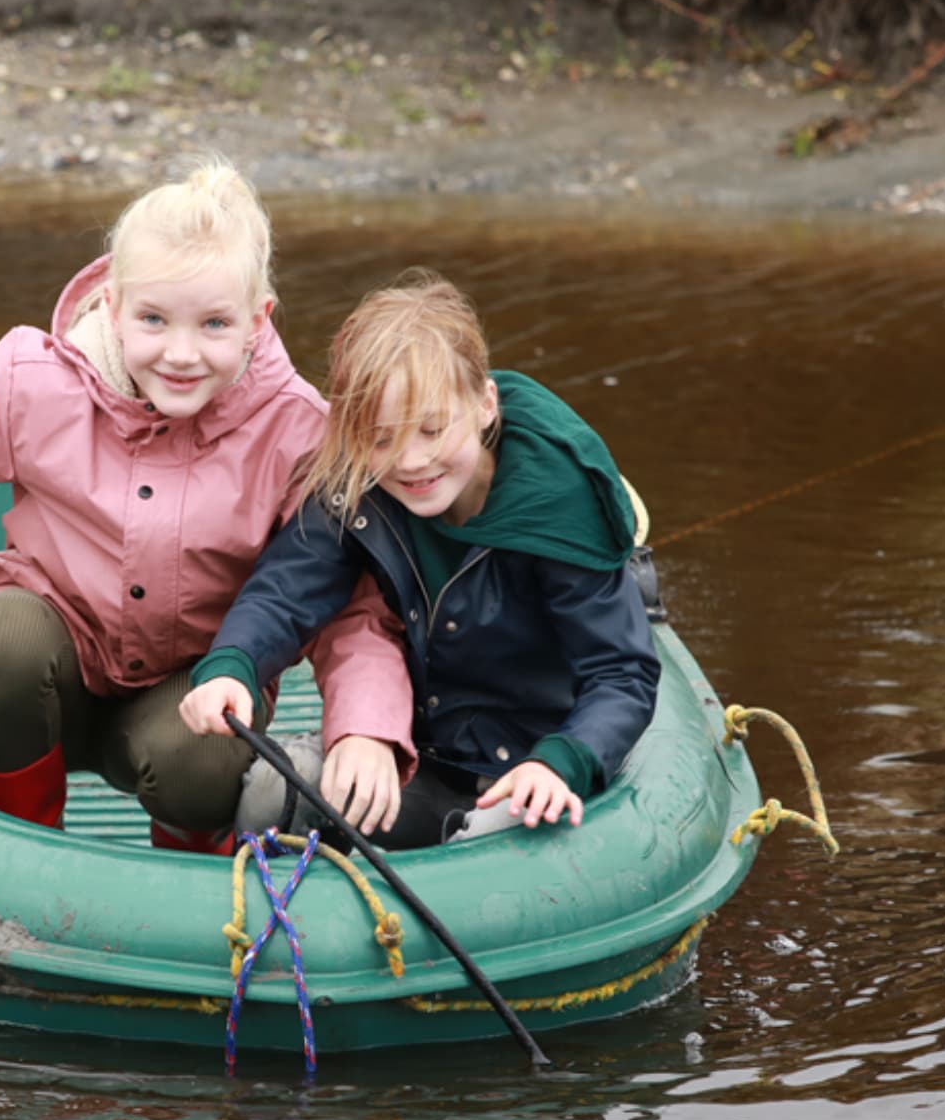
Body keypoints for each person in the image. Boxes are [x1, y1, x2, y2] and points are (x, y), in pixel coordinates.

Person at [0, 156, 411, 853]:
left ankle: (192, 876)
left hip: (192, 686)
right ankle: (20, 845)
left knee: (205, 752)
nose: (181, 354)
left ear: (256, 321)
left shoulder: (298, 432)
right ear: (114, 308)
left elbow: (348, 598)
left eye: (214, 324)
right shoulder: (40, 385)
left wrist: (363, 726)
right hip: (49, 667)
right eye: (153, 319)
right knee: (0, 641)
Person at [179, 270, 660, 848]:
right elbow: (286, 590)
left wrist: (561, 763)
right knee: (270, 791)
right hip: (417, 755)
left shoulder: (558, 507)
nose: (410, 461)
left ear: (484, 405)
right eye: (381, 439)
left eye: (432, 429)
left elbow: (621, 674)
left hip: (529, 768)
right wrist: (234, 664)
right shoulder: (358, 483)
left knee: (496, 834)